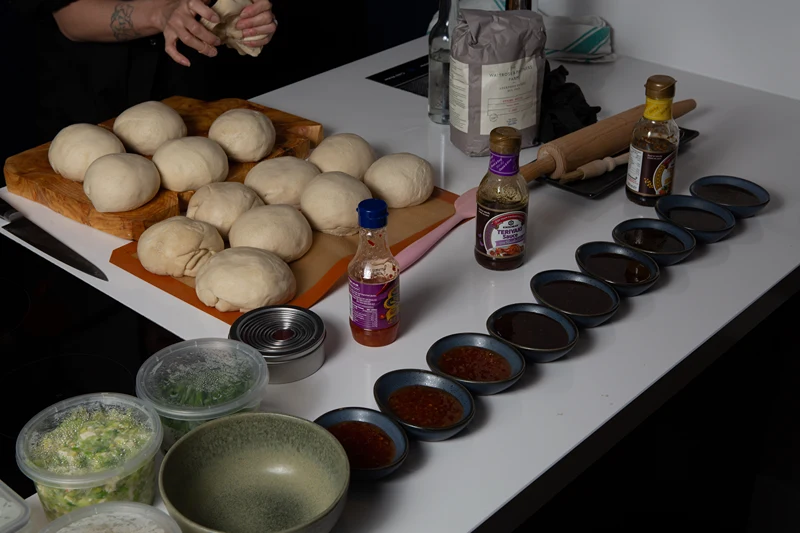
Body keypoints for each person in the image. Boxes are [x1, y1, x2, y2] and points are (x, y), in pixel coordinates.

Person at [9, 0, 278, 144]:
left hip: (202, 96)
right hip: (92, 101)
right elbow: (69, 18)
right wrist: (162, 14)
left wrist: (248, 21)